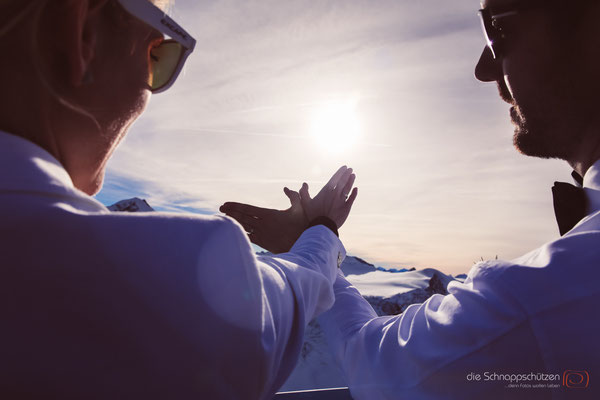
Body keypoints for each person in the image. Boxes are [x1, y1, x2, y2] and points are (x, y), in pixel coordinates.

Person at [222, 0, 600, 398]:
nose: (483, 69)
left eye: (497, 29)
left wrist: (315, 239)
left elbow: (378, 364)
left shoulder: (546, 300)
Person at [0, 1, 359, 399]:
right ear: (82, 32)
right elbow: (276, 305)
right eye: (159, 56)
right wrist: (321, 231)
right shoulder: (144, 280)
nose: (148, 94)